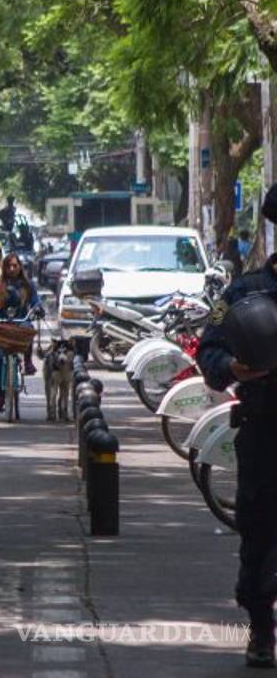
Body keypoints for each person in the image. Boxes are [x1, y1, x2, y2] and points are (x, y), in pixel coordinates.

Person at [196, 183, 277, 669]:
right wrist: (232, 367)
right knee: (260, 534)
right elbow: (208, 348)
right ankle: (262, 631)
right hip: (265, 431)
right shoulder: (243, 292)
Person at [0, 252, 44, 413]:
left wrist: (38, 307)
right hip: (2, 325)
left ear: (20, 267)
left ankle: (27, 360)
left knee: (28, 328)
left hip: (20, 323)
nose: (12, 268)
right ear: (4, 267)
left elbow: (35, 301)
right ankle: (0, 395)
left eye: (15, 265)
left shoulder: (28, 285)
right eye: (9, 266)